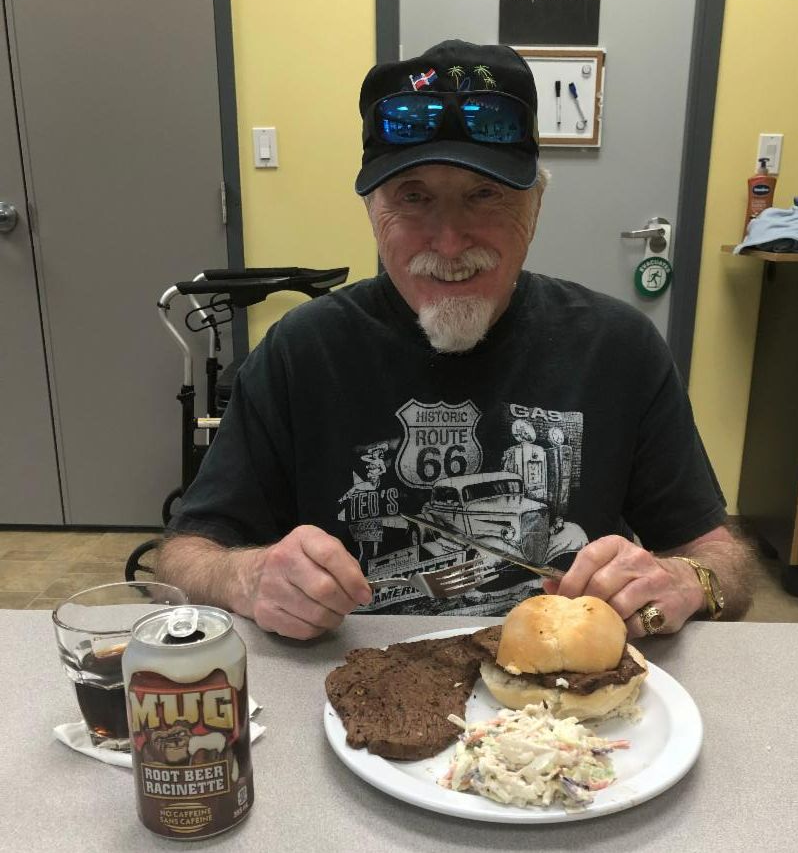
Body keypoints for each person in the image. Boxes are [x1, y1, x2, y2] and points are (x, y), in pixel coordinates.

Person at [158, 39, 753, 641]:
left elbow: (724, 558)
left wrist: (686, 579)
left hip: (565, 711)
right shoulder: (300, 351)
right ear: (371, 211)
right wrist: (247, 576)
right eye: (412, 197)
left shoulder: (620, 348)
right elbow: (184, 555)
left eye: (485, 195)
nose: (447, 242)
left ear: (537, 206)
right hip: (348, 697)